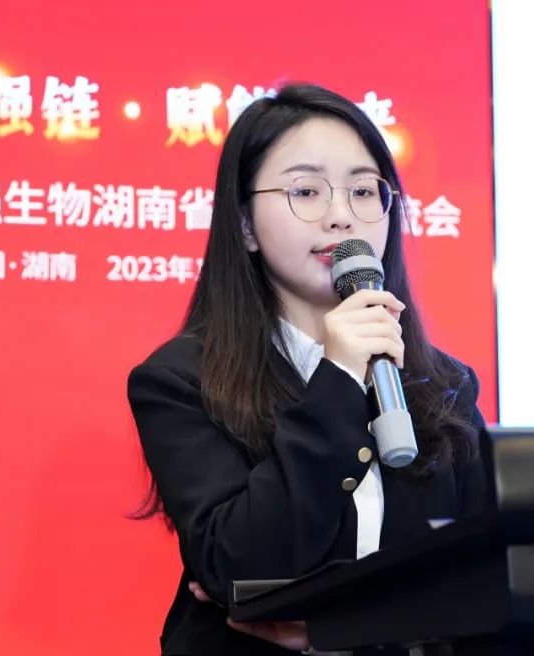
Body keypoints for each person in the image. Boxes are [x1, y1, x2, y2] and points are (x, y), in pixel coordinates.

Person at [127, 83, 489, 655]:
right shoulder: (180, 381)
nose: (342, 216)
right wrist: (339, 376)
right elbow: (240, 564)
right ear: (245, 225)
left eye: (363, 191)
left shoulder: (445, 386)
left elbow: (481, 581)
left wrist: (351, 627)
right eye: (306, 191)